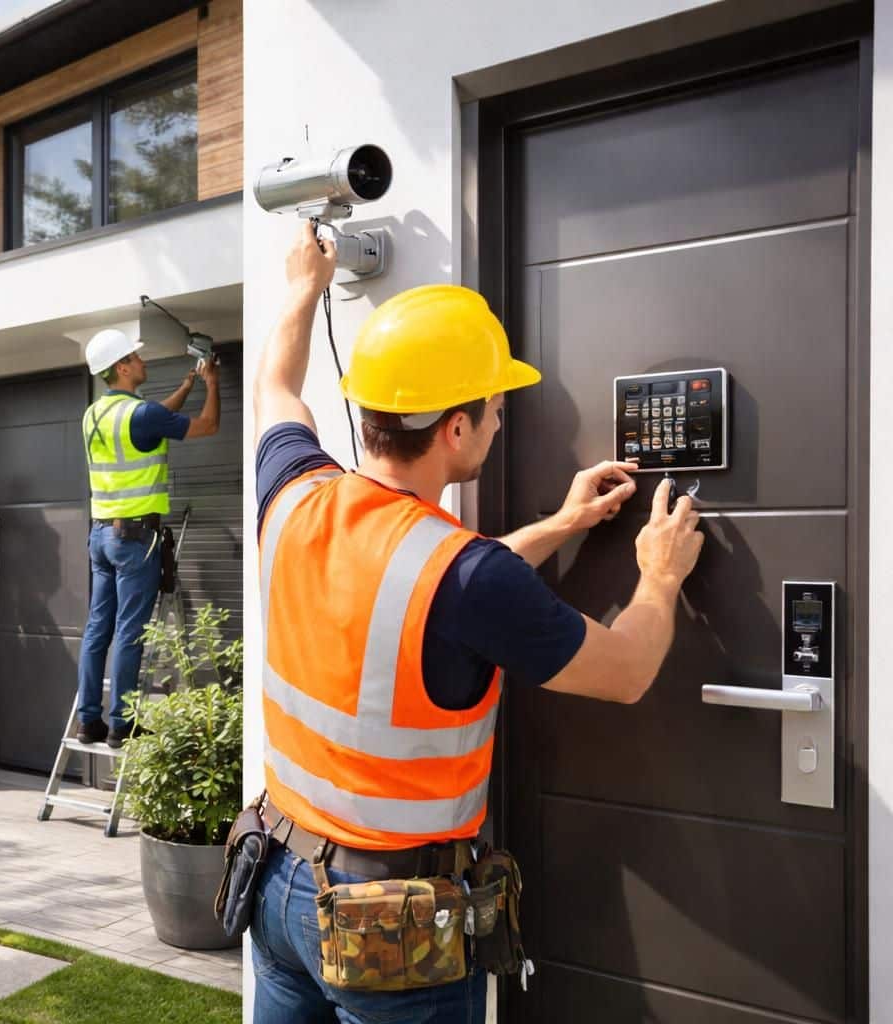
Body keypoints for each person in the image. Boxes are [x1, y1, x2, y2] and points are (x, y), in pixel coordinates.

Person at [249, 224, 705, 1023]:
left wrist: (302, 288)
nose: (498, 425)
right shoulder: (466, 572)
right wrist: (660, 577)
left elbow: (277, 390)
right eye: (494, 411)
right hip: (388, 924)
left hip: (278, 881)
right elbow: (627, 671)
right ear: (455, 428)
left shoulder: (295, 494)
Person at [75, 328, 221, 747]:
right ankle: (122, 723)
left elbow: (151, 423)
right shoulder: (141, 416)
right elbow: (208, 426)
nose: (143, 362)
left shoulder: (95, 414)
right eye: (135, 359)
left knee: (97, 628)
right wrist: (211, 383)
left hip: (101, 536)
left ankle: (89, 721)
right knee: (129, 631)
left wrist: (184, 387)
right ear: (122, 367)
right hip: (135, 539)